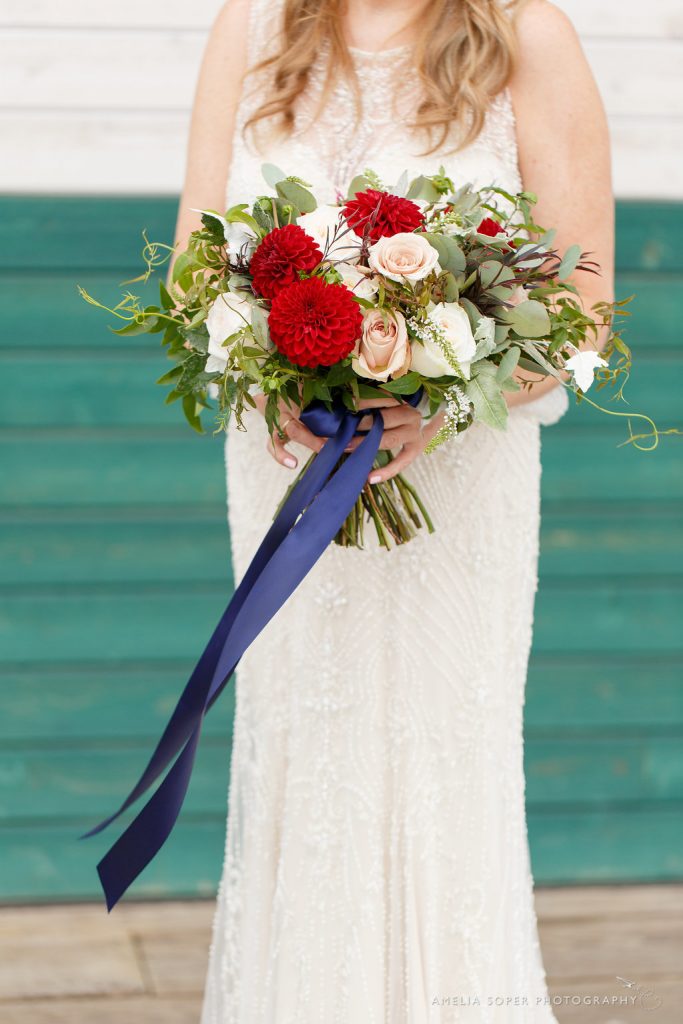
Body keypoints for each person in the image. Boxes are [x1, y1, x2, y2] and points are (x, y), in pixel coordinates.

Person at [169, 0, 613, 1020]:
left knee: (439, 760)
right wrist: (264, 370)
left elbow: (582, 297)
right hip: (286, 466)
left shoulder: (525, 35)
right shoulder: (252, 26)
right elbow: (194, 272)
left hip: (456, 488)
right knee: (301, 755)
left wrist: (443, 401)